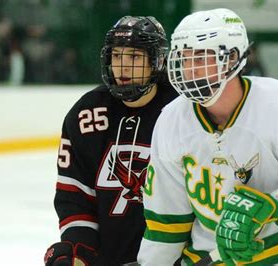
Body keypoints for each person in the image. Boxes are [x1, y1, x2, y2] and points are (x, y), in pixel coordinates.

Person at [138, 8, 278, 265]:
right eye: (184, 58)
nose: (190, 69)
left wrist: (269, 206)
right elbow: (167, 222)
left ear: (233, 57)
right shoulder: (171, 120)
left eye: (201, 58)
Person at [44, 16, 177, 266]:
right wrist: (79, 249)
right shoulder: (88, 113)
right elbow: (75, 195)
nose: (122, 68)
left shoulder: (181, 111)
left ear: (157, 61)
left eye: (134, 58)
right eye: (117, 56)